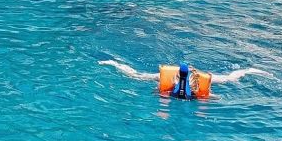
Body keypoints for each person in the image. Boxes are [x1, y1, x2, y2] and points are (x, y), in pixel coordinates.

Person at [99, 59, 270, 100]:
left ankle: (250, 68)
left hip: (196, 79)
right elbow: (134, 74)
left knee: (230, 79)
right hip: (179, 77)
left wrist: (211, 98)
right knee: (139, 76)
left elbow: (230, 80)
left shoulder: (202, 84)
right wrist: (113, 63)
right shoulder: (163, 79)